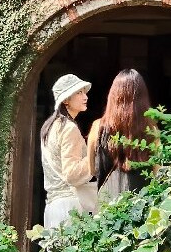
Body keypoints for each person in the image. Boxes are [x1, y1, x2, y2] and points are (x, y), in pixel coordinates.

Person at [87, 69, 159, 204]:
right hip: (142, 208)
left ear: (113, 95)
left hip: (108, 209)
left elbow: (91, 169)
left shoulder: (97, 127)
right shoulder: (152, 130)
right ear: (143, 98)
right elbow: (156, 172)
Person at [40, 73, 98, 228]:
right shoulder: (68, 128)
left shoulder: (50, 126)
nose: (85, 96)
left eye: (84, 91)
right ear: (65, 100)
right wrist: (95, 154)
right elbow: (71, 174)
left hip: (53, 207)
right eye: (78, 92)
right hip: (69, 207)